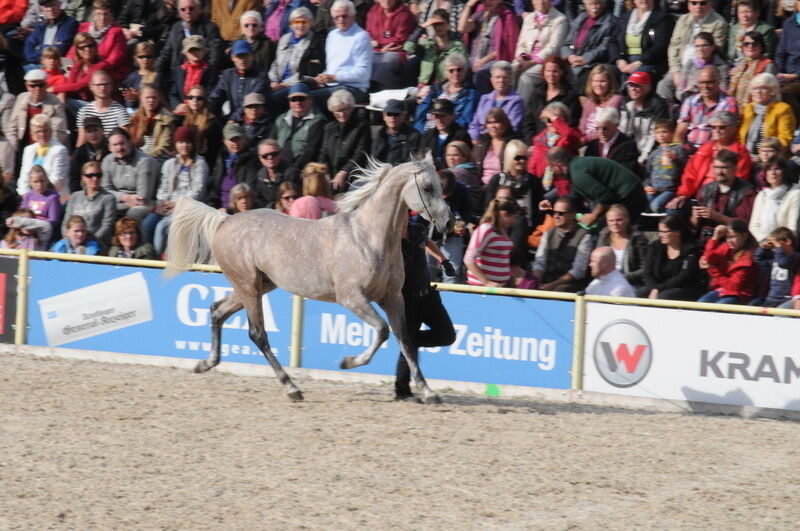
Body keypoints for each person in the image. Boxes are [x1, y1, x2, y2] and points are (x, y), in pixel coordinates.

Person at [394, 217, 455, 402]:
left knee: (447, 336)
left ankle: (411, 343)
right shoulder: (390, 240)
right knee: (409, 348)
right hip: (407, 302)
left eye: (404, 217)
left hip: (428, 296)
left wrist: (442, 260)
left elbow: (426, 241)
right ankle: (402, 392)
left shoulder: (418, 229)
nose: (403, 222)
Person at [667, 110, 752, 212]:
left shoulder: (740, 152)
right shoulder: (705, 149)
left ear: (733, 129)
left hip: (724, 198)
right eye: (713, 127)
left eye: (722, 127)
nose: (716, 130)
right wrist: (683, 195)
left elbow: (738, 179)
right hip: (700, 195)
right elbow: (690, 175)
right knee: (673, 210)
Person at [145, 126, 209, 254]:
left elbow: (198, 191)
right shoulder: (169, 164)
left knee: (162, 227)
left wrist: (177, 204)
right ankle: (147, 256)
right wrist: (162, 203)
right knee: (147, 224)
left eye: (187, 142)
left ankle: (159, 259)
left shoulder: (200, 164)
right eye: (180, 142)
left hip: (188, 207)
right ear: (175, 144)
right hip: (167, 206)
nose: (184, 145)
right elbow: (163, 188)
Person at [544, 147, 648, 225]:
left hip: (630, 195)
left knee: (614, 228)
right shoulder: (575, 168)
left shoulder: (578, 175)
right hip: (629, 193)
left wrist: (593, 216)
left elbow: (605, 197)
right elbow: (574, 198)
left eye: (551, 168)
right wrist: (552, 203)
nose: (552, 172)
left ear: (557, 166)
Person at [310, 0, 372, 108]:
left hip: (354, 88)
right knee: (297, 91)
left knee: (308, 98)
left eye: (344, 16)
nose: (340, 20)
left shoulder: (362, 36)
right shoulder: (332, 35)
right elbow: (332, 67)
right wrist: (323, 77)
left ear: (352, 16)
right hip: (331, 85)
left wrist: (335, 77)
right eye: (336, 17)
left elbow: (364, 73)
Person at [663, 0, 727, 103]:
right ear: (688, 5)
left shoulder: (719, 22)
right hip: (681, 66)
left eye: (702, 3)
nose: (698, 6)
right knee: (663, 86)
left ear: (710, 4)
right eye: (694, 3)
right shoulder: (683, 19)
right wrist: (676, 71)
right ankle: (667, 116)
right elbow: (673, 46)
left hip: (703, 67)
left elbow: (716, 49)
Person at [690, 149, 757, 240]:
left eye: (724, 168)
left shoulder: (746, 192)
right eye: (716, 167)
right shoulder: (705, 189)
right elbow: (695, 225)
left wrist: (717, 217)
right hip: (705, 241)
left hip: (731, 242)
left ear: (735, 169)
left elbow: (744, 225)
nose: (719, 172)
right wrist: (695, 218)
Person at [531, 195, 594, 292]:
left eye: (561, 213)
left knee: (560, 290)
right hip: (546, 279)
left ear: (573, 214)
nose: (556, 216)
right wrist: (536, 281)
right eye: (554, 212)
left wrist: (552, 285)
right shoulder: (549, 232)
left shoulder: (584, 236)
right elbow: (540, 261)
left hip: (568, 285)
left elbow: (578, 271)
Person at [268, 7, 325, 112]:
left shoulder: (315, 43)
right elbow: (275, 63)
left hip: (298, 85)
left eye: (304, 22)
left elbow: (309, 74)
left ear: (310, 23)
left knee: (274, 98)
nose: (300, 25)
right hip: (278, 83)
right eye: (297, 22)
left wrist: (282, 85)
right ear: (291, 24)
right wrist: (274, 81)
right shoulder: (285, 39)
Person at [513, 0, 568, 107]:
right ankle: (506, 112)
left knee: (526, 78)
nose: (541, 2)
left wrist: (532, 62)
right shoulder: (529, 18)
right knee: (509, 70)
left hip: (545, 62)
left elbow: (553, 48)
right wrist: (522, 57)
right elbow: (521, 43)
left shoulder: (560, 19)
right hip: (525, 59)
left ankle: (519, 112)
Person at [458, 0, 519, 94]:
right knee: (457, 67)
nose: (487, 2)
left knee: (480, 73)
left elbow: (507, 47)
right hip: (474, 58)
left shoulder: (506, 16)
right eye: (484, 0)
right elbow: (462, 28)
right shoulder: (480, 14)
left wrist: (484, 60)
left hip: (494, 59)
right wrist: (468, 6)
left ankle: (484, 102)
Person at [270, 83, 326, 182]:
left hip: (301, 168)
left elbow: (311, 150)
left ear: (310, 100)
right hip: (278, 163)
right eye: (294, 99)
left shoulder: (318, 120)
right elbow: (270, 142)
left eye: (301, 99)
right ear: (289, 102)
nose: (298, 102)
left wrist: (295, 168)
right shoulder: (280, 119)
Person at [101, 127, 160, 222]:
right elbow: (105, 189)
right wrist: (125, 197)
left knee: (133, 215)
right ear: (109, 147)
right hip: (119, 201)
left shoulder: (145, 162)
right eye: (115, 145)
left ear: (129, 142)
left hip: (145, 204)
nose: (119, 148)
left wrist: (115, 202)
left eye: (122, 143)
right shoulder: (107, 160)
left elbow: (143, 198)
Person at [673, 66, 738, 151]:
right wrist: (679, 152)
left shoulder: (729, 103)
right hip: (689, 149)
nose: (705, 86)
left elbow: (728, 135)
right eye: (701, 82)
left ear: (718, 82)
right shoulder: (690, 101)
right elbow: (679, 133)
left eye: (709, 82)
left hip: (713, 151)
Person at [638, 214, 702, 300]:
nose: (660, 235)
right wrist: (653, 288)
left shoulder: (691, 249)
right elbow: (647, 272)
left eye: (665, 232)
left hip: (684, 288)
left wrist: (659, 289)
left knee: (663, 297)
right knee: (638, 294)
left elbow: (684, 277)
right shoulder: (655, 246)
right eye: (659, 231)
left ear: (677, 232)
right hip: (658, 286)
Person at [528, 102, 582, 200]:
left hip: (564, 188)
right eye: (549, 120)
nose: (553, 123)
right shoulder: (539, 139)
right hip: (542, 186)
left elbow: (569, 136)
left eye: (557, 120)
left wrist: (553, 117)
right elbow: (533, 166)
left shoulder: (572, 135)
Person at [413, 53, 479, 133]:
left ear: (465, 71)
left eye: (459, 69)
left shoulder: (471, 94)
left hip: (451, 134)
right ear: (446, 72)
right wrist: (424, 134)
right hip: (426, 132)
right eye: (451, 70)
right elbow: (420, 115)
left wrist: (442, 133)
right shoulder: (436, 90)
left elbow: (465, 120)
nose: (455, 73)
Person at [6, 69, 69, 153]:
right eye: (33, 86)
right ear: (27, 86)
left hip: (46, 148)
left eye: (41, 85)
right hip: (22, 147)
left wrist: (44, 150)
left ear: (46, 85)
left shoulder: (55, 102)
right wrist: (13, 150)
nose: (37, 89)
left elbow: (59, 131)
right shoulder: (21, 98)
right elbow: (12, 127)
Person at [319, 90, 370, 193]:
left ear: (351, 108)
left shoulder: (361, 126)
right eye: (337, 111)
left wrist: (343, 173)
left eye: (344, 110)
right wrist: (325, 172)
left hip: (353, 176)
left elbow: (360, 154)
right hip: (331, 175)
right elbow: (323, 153)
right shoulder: (329, 128)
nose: (341, 114)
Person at [559, 0, 617, 91]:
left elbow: (603, 48)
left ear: (603, 4)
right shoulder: (581, 18)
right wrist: (569, 56)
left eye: (597, 4)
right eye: (590, 4)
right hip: (573, 59)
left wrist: (584, 59)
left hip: (592, 62)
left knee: (580, 76)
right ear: (585, 5)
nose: (594, 8)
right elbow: (566, 43)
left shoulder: (610, 22)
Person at [156, 0, 223, 78]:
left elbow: (215, 56)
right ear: (179, 12)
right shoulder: (176, 28)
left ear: (199, 9)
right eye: (183, 9)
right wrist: (156, 69)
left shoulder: (210, 28)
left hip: (201, 75)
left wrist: (207, 74)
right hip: (178, 75)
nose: (187, 12)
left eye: (191, 8)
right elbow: (166, 53)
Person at [610, 0, 674, 82]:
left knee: (636, 77)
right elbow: (613, 42)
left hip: (648, 62)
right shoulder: (625, 17)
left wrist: (639, 63)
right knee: (605, 72)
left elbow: (661, 46)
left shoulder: (663, 18)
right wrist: (619, 60)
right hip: (624, 60)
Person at [66, 1, 129, 83]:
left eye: (105, 14)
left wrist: (90, 70)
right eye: (99, 14)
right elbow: (74, 50)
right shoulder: (84, 27)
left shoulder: (116, 32)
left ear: (111, 16)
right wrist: (69, 65)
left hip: (107, 73)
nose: (102, 18)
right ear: (94, 15)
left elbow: (113, 60)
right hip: (82, 70)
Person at [698, 219, 758, 304]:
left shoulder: (749, 259)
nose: (729, 241)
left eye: (733, 237)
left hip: (740, 294)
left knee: (720, 306)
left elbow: (733, 286)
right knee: (701, 304)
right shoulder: (727, 247)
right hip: (721, 290)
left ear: (744, 236)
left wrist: (712, 270)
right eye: (727, 237)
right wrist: (715, 237)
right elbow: (709, 258)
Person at [464, 196, 520, 286]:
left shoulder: (503, 230)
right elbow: (469, 259)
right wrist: (486, 282)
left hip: (500, 287)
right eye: (514, 217)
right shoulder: (486, 229)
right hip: (483, 288)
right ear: (505, 214)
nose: (514, 221)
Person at [404, 8, 467, 88]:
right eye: (435, 24)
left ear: (448, 25)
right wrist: (422, 26)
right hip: (425, 88)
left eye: (441, 23)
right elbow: (408, 47)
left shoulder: (458, 46)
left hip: (447, 87)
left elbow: (464, 69)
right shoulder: (427, 44)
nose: (438, 27)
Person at [520, 55, 579, 141]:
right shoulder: (536, 93)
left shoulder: (570, 96)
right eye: (548, 71)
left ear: (562, 72)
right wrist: (530, 144)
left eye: (555, 71)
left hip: (561, 142)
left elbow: (572, 124)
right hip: (537, 142)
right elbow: (528, 122)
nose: (551, 75)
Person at [430, 169, 474, 283]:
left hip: (453, 234)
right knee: (427, 269)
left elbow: (467, 210)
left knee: (452, 271)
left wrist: (463, 222)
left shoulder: (461, 189)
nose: (444, 197)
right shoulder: (428, 190)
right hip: (431, 235)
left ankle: (449, 296)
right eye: (442, 194)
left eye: (447, 194)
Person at [739, 73, 796, 156]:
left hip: (770, 157)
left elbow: (785, 139)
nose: (758, 92)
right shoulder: (748, 108)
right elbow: (740, 136)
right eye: (755, 89)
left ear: (773, 90)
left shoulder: (783, 109)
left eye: (763, 88)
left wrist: (764, 155)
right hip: (746, 155)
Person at [210, 39, 269, 120]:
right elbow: (216, 96)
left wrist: (233, 119)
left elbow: (251, 103)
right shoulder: (228, 75)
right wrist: (208, 110)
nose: (242, 60)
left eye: (245, 55)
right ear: (232, 58)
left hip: (255, 122)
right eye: (239, 56)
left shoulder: (261, 76)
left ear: (252, 56)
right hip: (232, 119)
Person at [62, 160, 116, 246]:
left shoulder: (108, 198)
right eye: (90, 176)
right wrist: (69, 238)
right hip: (72, 243)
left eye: (98, 175)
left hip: (96, 244)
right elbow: (66, 222)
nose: (95, 179)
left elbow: (107, 226)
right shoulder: (75, 196)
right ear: (83, 178)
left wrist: (88, 241)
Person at [365, 0, 415, 90]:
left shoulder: (404, 14)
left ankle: (379, 91)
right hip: (374, 50)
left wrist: (378, 42)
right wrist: (374, 43)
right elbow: (368, 33)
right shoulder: (373, 11)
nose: (387, 1)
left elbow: (400, 40)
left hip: (396, 51)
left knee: (386, 62)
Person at [595, 204, 648, 289]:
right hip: (605, 281)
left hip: (631, 283)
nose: (615, 223)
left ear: (627, 219)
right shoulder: (604, 236)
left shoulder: (638, 239)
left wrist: (622, 277)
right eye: (611, 220)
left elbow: (645, 268)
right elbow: (597, 261)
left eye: (619, 220)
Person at [207, 122, 257, 211]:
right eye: (232, 140)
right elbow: (214, 189)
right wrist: (212, 207)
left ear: (244, 139)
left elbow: (248, 191)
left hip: (237, 210)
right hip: (219, 209)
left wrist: (229, 210)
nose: (235, 143)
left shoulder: (251, 160)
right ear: (225, 142)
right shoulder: (221, 158)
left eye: (238, 139)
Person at [468, 61, 524, 140]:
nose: (501, 81)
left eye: (505, 77)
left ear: (510, 80)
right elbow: (474, 125)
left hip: (504, 141)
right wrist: (475, 139)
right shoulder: (484, 99)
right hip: (481, 141)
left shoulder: (516, 100)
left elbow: (513, 126)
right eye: (498, 77)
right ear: (491, 80)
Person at [17, 114, 69, 199]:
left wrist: (36, 197)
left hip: (54, 197)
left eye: (45, 130)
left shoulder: (60, 150)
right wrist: (26, 197)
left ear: (51, 131)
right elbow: (23, 178)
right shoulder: (28, 150)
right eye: (38, 131)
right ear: (32, 134)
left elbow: (56, 181)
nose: (42, 134)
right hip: (30, 198)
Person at [50, 32, 106, 108]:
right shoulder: (78, 65)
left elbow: (80, 85)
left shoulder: (101, 65)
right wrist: (62, 93)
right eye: (82, 47)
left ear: (95, 47)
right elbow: (69, 85)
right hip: (82, 103)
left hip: (100, 105)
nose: (87, 49)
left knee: (60, 102)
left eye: (90, 46)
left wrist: (54, 89)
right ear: (77, 50)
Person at [643, 119, 689, 213]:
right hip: (655, 189)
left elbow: (687, 168)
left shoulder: (678, 149)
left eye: (664, 131)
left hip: (671, 189)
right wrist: (646, 186)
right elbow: (648, 173)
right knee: (642, 203)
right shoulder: (654, 153)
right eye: (658, 132)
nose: (661, 135)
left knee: (655, 206)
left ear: (672, 133)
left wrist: (676, 159)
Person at [75, 69, 130, 145]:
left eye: (106, 84)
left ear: (112, 86)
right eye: (98, 85)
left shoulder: (120, 111)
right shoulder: (84, 112)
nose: (103, 88)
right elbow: (82, 141)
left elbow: (124, 140)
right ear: (91, 86)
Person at [583, 107, 641, 177]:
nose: (601, 132)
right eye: (597, 128)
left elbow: (625, 172)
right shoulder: (592, 146)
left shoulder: (628, 145)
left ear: (616, 125)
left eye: (605, 128)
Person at [174, 85, 222, 167]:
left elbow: (213, 150)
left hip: (203, 161)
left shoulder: (212, 122)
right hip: (183, 159)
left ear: (205, 101)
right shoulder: (181, 118)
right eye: (191, 97)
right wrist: (175, 113)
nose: (194, 100)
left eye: (199, 98)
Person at [751, 226, 800, 306]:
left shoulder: (795, 257)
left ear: (788, 241)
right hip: (771, 298)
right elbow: (758, 260)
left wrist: (778, 247)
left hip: (785, 298)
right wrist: (762, 248)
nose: (774, 249)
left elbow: (782, 263)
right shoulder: (776, 257)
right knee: (753, 306)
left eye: (776, 245)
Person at [728, 31, 777, 111]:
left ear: (761, 47)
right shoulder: (739, 65)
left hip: (757, 109)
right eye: (746, 44)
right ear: (742, 47)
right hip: (734, 109)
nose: (750, 46)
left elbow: (770, 94)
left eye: (755, 44)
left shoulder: (768, 65)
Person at [473, 108, 521, 187]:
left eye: (496, 122)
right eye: (489, 123)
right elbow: (474, 166)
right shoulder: (482, 143)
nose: (493, 126)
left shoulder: (513, 143)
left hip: (504, 186)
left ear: (505, 124)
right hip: (482, 186)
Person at [417, 98, 472, 167]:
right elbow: (421, 157)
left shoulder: (462, 136)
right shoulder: (428, 135)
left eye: (442, 116)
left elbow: (466, 161)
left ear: (452, 116)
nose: (439, 120)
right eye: (436, 116)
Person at [23, 0, 79, 66]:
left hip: (58, 65)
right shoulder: (40, 25)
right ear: (42, 8)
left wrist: (39, 47)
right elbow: (29, 53)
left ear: (60, 4)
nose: (50, 9)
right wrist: (44, 57)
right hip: (38, 64)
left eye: (53, 5)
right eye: (46, 6)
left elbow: (62, 49)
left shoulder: (70, 23)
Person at [168, 35, 217, 110]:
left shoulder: (211, 70)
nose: (195, 53)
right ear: (185, 53)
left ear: (204, 51)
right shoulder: (179, 70)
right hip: (182, 110)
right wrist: (177, 105)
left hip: (203, 110)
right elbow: (172, 93)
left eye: (198, 49)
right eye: (191, 50)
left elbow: (211, 92)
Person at [129, 84, 175, 161]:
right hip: (137, 158)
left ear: (159, 99)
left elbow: (163, 148)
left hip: (158, 159)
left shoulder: (166, 119)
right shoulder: (133, 118)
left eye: (154, 97)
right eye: (147, 98)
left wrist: (141, 157)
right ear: (141, 98)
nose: (151, 100)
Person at [749, 158, 791, 242]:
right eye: (769, 169)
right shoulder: (762, 195)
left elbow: (792, 226)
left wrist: (778, 241)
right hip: (763, 243)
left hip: (784, 243)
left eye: (777, 169)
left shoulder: (792, 194)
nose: (773, 173)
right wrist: (763, 240)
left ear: (784, 172)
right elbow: (754, 225)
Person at [578, 64, 623, 143]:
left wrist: (585, 139)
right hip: (586, 143)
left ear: (610, 83)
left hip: (604, 142)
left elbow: (606, 130)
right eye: (595, 81)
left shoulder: (616, 100)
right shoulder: (589, 102)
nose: (598, 85)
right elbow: (582, 127)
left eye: (602, 81)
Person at [371, 99, 421, 166]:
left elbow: (412, 162)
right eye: (389, 114)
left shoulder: (414, 136)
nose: (392, 117)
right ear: (384, 116)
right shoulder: (379, 135)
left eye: (396, 114)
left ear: (403, 116)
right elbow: (373, 159)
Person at [248, 138, 294, 208]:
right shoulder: (259, 176)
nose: (270, 158)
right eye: (265, 156)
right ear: (260, 158)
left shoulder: (291, 173)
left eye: (274, 154)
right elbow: (258, 200)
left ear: (280, 154)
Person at [20, 165, 60, 240]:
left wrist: (34, 224)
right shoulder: (28, 196)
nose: (39, 185)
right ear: (30, 183)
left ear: (47, 180)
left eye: (42, 181)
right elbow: (21, 214)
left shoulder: (53, 197)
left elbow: (53, 221)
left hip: (44, 234)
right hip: (27, 231)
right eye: (35, 182)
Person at [120, 41, 161, 113]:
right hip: (133, 112)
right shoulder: (131, 77)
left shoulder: (158, 76)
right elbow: (123, 92)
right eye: (141, 57)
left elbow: (162, 98)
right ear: (135, 58)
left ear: (154, 58)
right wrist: (128, 95)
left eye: (148, 57)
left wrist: (139, 97)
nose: (145, 60)